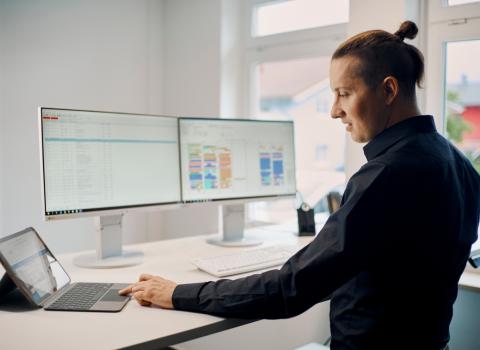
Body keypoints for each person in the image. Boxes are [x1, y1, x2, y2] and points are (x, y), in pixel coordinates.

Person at [119, 21, 480, 350]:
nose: (334, 110)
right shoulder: (458, 162)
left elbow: (289, 288)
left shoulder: (387, 174)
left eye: (344, 93)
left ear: (388, 90)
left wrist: (179, 293)